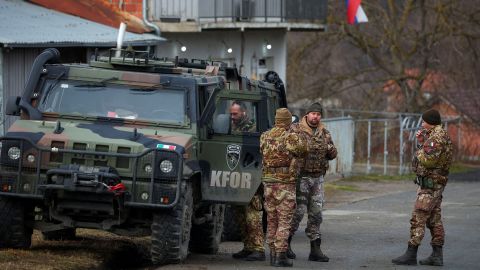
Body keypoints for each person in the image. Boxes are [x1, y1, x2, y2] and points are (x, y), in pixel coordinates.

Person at [392, 109, 453, 266]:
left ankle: (411, 253)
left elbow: (429, 161)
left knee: (418, 216)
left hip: (430, 185)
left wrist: (420, 150)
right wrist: (422, 142)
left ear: (430, 122)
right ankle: (437, 255)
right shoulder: (438, 136)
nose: (421, 123)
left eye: (423, 121)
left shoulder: (436, 138)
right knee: (434, 218)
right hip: (435, 183)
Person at [288, 102, 337, 262]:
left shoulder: (325, 132)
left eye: (318, 114)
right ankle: (285, 245)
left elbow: (332, 154)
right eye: (313, 113)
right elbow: (289, 149)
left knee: (316, 214)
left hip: (317, 178)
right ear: (307, 114)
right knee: (298, 212)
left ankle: (315, 250)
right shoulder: (296, 129)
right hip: (300, 177)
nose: (315, 116)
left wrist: (330, 149)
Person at [260, 108, 307, 267]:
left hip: (268, 184)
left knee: (271, 219)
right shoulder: (290, 136)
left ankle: (273, 254)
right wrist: (296, 131)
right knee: (284, 221)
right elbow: (303, 150)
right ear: (288, 121)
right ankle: (281, 256)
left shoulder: (264, 136)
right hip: (285, 184)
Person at [231, 100, 264, 261]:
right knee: (239, 214)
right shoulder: (232, 127)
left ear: (243, 113)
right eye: (231, 114)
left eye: (235, 114)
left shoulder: (253, 128)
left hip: (252, 175)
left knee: (252, 214)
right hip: (237, 177)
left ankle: (258, 248)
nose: (232, 117)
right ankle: (248, 246)